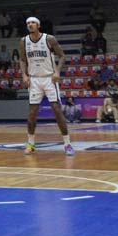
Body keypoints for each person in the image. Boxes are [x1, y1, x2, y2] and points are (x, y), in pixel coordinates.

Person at [19, 17, 74, 156]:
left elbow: (62, 56)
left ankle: (67, 144)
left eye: (32, 23)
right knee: (32, 113)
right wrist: (24, 75)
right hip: (34, 80)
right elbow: (22, 60)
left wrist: (57, 72)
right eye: (28, 23)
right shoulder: (24, 41)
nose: (30, 25)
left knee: (57, 110)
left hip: (49, 79)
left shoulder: (49, 39)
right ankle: (31, 144)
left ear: (38, 25)